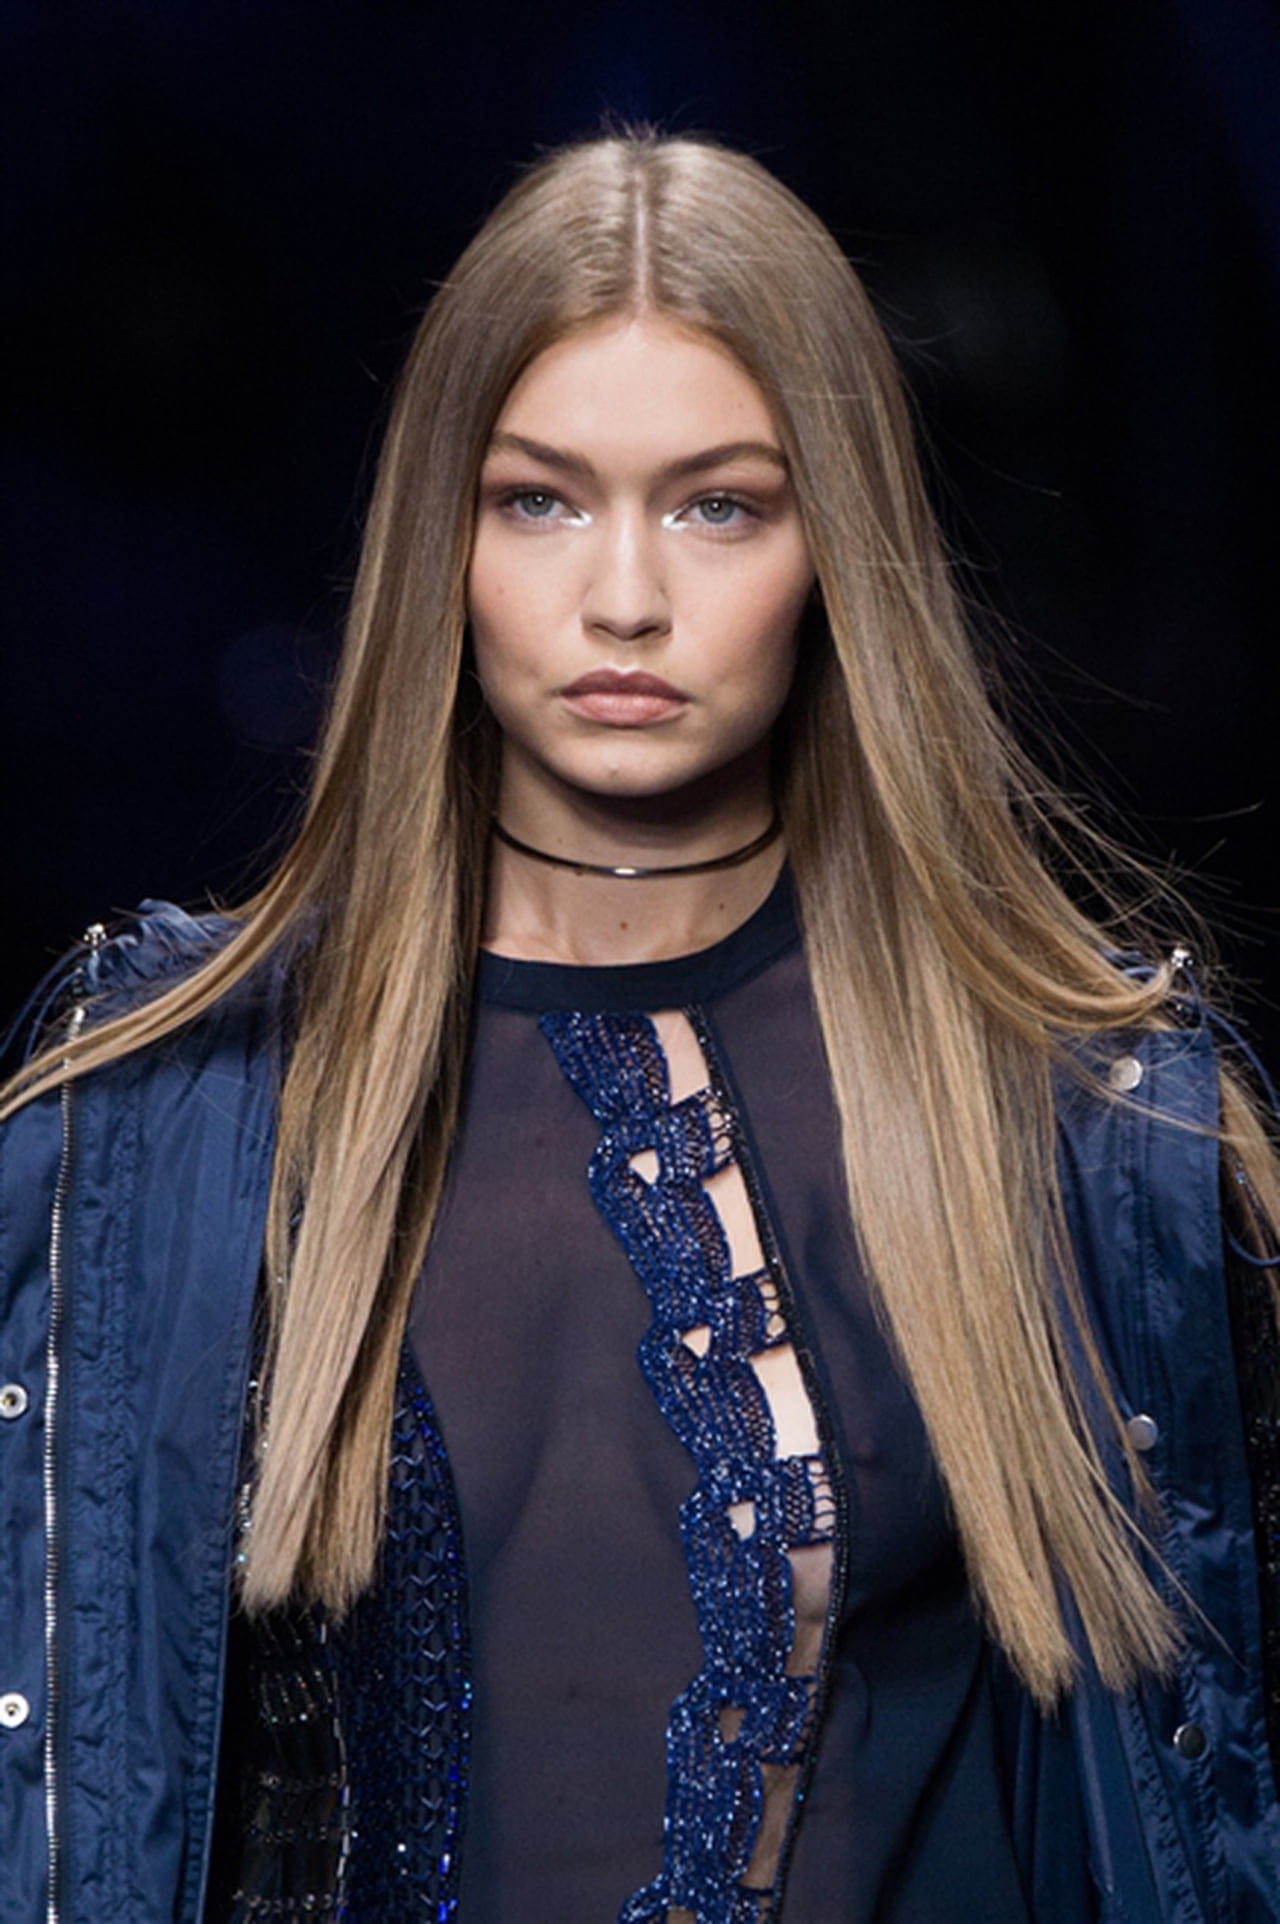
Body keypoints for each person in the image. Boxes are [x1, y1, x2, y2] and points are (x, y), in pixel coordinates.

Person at [1, 128, 1277, 1924]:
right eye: (539, 500)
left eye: (718, 505)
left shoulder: (1083, 1127)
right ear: (438, 539)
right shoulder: (162, 1121)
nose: (623, 597)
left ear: (838, 548)